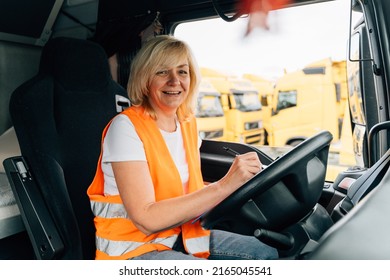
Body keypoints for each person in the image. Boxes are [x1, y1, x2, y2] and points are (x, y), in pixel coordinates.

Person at [87, 35, 278, 260]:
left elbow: (185, 186)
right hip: (134, 250)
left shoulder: (187, 123)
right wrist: (224, 185)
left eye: (182, 71)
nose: (174, 81)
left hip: (183, 234)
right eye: (162, 72)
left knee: (264, 252)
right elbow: (147, 219)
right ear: (145, 78)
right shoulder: (125, 128)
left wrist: (239, 185)